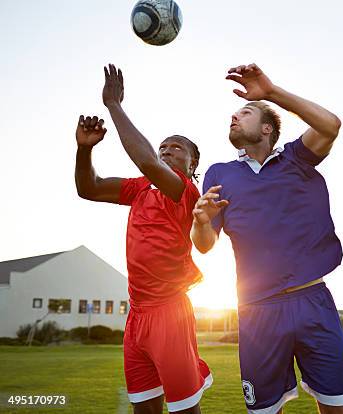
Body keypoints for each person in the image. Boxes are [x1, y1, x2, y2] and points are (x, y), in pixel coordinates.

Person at [191, 63, 343, 414]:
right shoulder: (220, 173)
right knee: (265, 411)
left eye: (245, 112)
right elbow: (204, 244)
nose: (234, 117)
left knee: (339, 407)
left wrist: (271, 93)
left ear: (267, 128)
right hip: (257, 310)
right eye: (233, 115)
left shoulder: (297, 158)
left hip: (312, 301)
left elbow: (331, 125)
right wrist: (201, 222)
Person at [74, 64, 212, 414]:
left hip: (170, 313)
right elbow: (88, 188)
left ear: (192, 163)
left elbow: (148, 161)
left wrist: (114, 105)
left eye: (176, 148)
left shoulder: (184, 189)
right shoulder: (140, 189)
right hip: (136, 316)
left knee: (184, 409)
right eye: (163, 146)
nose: (167, 150)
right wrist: (84, 150)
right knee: (143, 408)